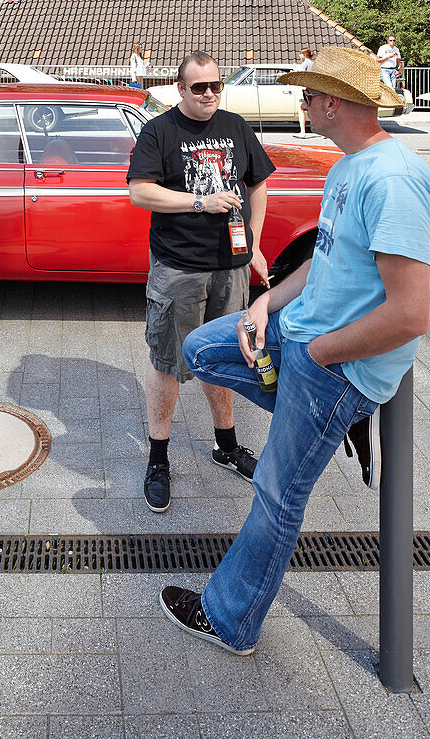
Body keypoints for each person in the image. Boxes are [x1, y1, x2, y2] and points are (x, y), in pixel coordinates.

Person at [158, 46, 430, 655]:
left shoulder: (391, 182)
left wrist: (316, 358)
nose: (303, 106)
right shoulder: (349, 167)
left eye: (308, 97)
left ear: (334, 103)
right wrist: (266, 304)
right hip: (301, 336)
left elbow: (409, 314)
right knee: (203, 348)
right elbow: (328, 260)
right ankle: (306, 417)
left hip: (335, 365)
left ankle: (230, 619)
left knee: (276, 491)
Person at [127, 50, 276, 513]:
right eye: (199, 88)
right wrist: (199, 202)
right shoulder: (159, 131)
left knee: (227, 356)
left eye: (215, 86)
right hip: (178, 268)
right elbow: (139, 191)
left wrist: (253, 242)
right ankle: (157, 459)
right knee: (168, 360)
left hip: (230, 267)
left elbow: (258, 184)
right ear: (180, 89)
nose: (209, 94)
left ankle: (226, 445)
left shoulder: (235, 126)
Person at [292, 48, 315, 139]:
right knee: (312, 109)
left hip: (305, 89)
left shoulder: (305, 63)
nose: (299, 56)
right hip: (313, 89)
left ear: (304, 55)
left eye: (300, 54)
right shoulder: (313, 63)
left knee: (301, 109)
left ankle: (303, 132)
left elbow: (300, 74)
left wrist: (295, 68)